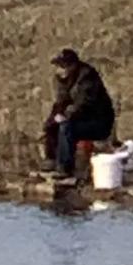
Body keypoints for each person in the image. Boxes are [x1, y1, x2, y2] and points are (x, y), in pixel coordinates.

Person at [44, 48, 115, 176]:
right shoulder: (64, 80)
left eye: (63, 66)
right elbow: (61, 102)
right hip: (79, 119)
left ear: (73, 66)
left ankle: (64, 168)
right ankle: (51, 160)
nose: (59, 70)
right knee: (51, 124)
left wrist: (66, 116)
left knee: (67, 127)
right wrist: (54, 118)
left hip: (97, 122)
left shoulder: (87, 77)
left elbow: (84, 104)